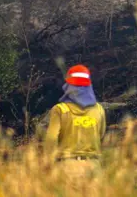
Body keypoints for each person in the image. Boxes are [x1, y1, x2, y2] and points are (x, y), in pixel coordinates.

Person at [45, 65, 107, 194]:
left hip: (68, 167)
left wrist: (49, 164)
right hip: (94, 167)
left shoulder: (60, 110)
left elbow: (51, 139)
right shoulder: (99, 109)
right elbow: (101, 135)